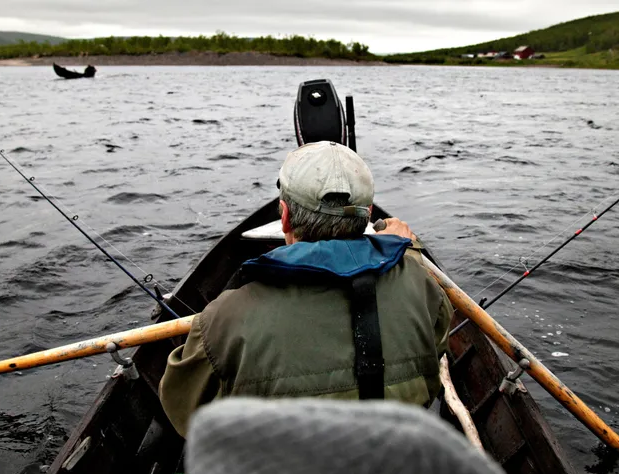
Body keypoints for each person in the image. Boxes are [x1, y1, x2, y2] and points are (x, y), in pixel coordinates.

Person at [159, 140, 454, 437]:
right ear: (366, 214)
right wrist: (407, 250)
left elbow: (184, 413)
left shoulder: (223, 320)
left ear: (284, 216)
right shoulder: (424, 287)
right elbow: (435, 354)